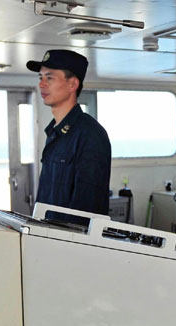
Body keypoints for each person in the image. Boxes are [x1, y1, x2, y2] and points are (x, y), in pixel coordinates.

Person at [26, 49, 111, 220]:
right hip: (46, 237)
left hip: (69, 244)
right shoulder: (54, 133)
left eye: (49, 78)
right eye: (40, 78)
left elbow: (86, 211)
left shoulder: (90, 135)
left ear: (72, 85)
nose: (42, 84)